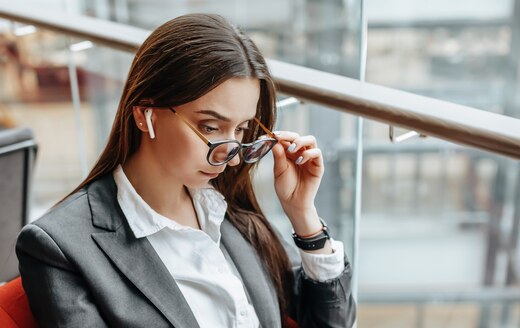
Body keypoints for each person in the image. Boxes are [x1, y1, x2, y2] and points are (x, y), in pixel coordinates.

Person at [16, 13, 356, 328]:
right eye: (210, 128)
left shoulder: (230, 213)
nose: (232, 158)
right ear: (145, 114)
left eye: (240, 131)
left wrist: (305, 220)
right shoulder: (61, 247)